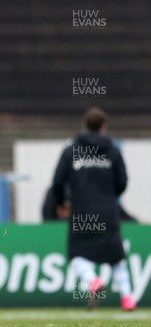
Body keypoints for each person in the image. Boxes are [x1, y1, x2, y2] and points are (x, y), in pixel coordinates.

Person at [51, 106, 136, 311]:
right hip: (107, 213)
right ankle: (127, 298)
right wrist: (108, 196)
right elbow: (123, 181)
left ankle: (93, 280)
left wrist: (62, 203)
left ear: (85, 125)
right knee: (116, 257)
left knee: (78, 255)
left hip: (81, 213)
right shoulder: (113, 151)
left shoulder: (71, 150)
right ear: (104, 127)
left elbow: (57, 182)